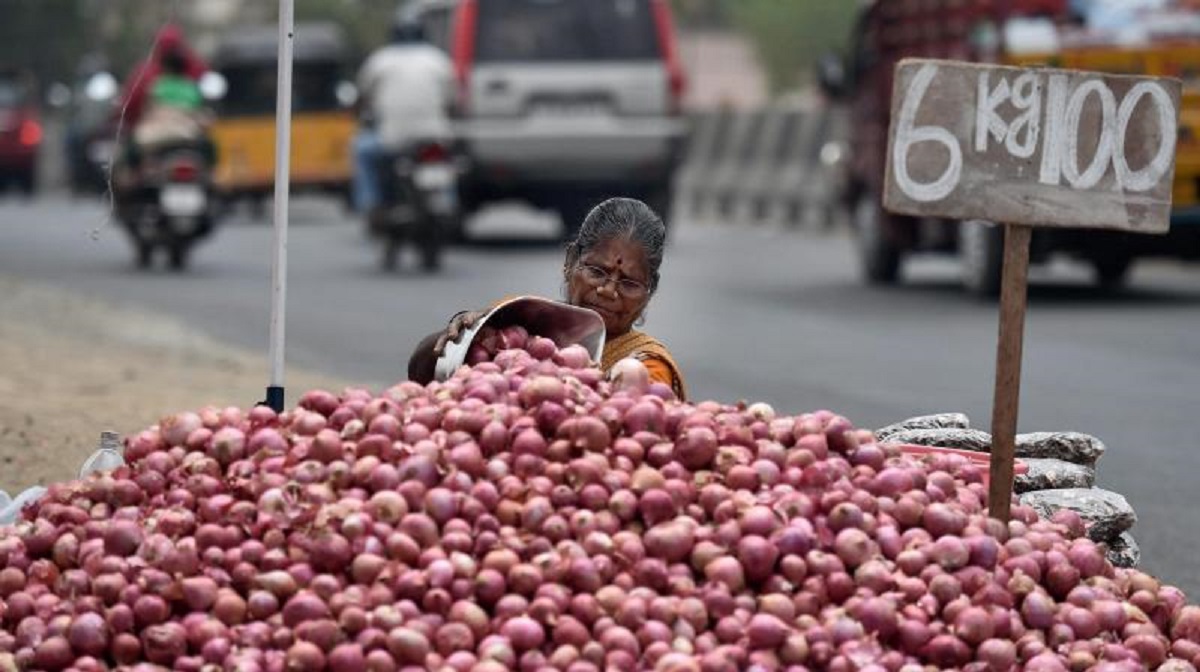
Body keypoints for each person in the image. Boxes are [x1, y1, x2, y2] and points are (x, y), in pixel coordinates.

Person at [408, 197, 688, 399]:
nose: (607, 290)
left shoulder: (648, 366)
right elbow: (421, 371)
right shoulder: (521, 320)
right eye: (596, 271)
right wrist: (462, 335)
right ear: (570, 261)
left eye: (629, 283)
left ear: (651, 290)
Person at [352, 17, 455, 217]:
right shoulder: (438, 59)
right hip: (435, 135)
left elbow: (363, 95)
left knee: (362, 150)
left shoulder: (380, 59)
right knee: (449, 163)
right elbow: (452, 98)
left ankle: (371, 204)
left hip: (393, 138)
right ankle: (449, 201)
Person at [115, 24, 208, 129]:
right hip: (186, 130)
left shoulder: (149, 78)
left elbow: (131, 105)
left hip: (152, 130)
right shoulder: (192, 81)